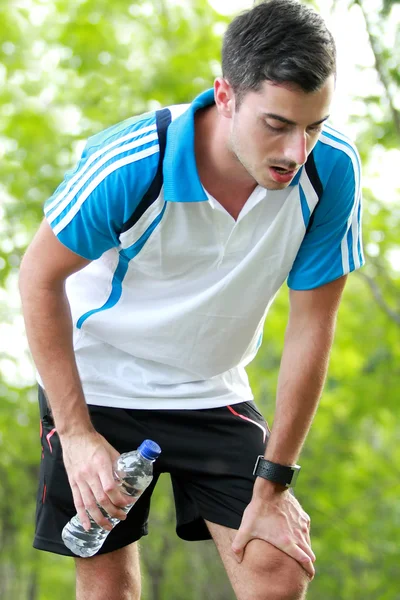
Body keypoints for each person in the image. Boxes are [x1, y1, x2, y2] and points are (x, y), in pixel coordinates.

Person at [19, 0, 364, 598]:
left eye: (314, 125)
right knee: (108, 589)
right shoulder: (132, 161)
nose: (295, 152)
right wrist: (75, 433)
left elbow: (313, 326)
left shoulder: (330, 173)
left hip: (212, 387)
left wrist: (275, 484)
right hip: (99, 382)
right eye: (277, 124)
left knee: (278, 570)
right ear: (225, 94)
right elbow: (38, 278)